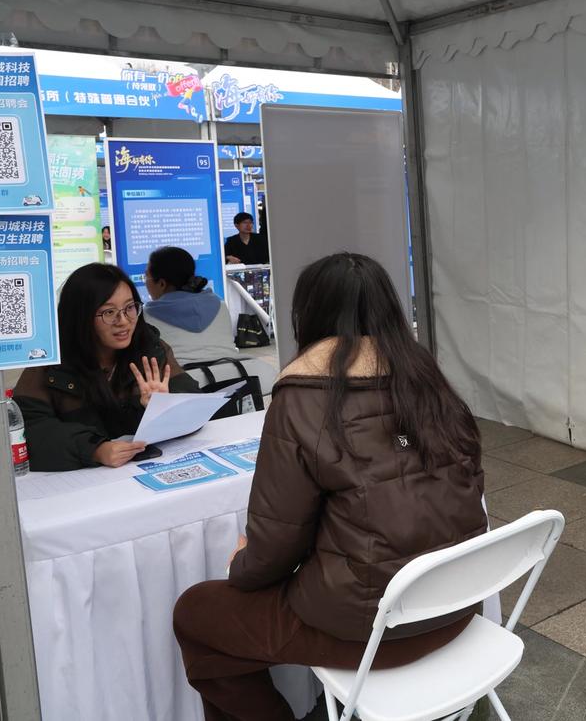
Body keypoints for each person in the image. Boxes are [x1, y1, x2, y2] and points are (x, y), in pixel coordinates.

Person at [173, 252, 487, 721]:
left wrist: (241, 565)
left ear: (310, 313)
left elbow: (275, 545)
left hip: (375, 631)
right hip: (458, 606)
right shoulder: (428, 379)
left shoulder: (304, 394)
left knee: (196, 614)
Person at [14, 263, 200, 472]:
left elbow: (193, 402)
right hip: (84, 483)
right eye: (109, 312)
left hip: (148, 471)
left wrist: (165, 406)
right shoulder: (50, 363)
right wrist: (95, 450)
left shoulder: (149, 348)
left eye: (130, 307)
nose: (124, 321)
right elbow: (28, 430)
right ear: (80, 316)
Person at [144, 246, 239, 364]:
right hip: (233, 372)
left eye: (146, 276)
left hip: (179, 375)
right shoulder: (221, 306)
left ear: (162, 284)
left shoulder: (145, 316)